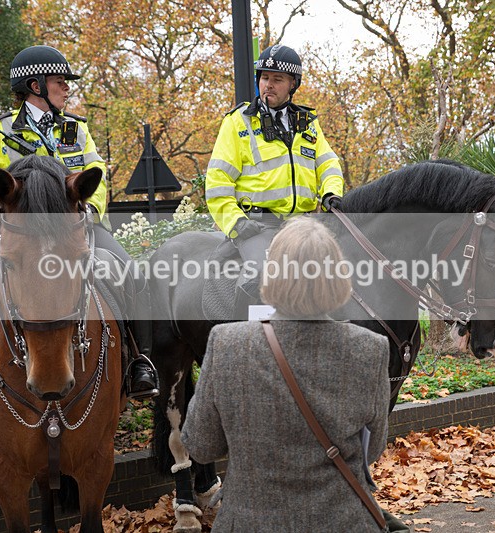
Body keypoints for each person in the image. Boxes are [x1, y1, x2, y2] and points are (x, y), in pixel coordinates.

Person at [0, 45, 158, 406]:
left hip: (74, 228)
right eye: (60, 82)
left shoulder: (76, 128)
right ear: (35, 85)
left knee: (132, 273)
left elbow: (96, 176)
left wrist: (89, 215)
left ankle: (139, 362)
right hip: (18, 232)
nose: (67, 88)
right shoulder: (0, 132)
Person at [181, 217, 407, 532]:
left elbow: (201, 446)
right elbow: (374, 448)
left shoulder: (226, 343)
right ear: (338, 277)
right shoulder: (371, 350)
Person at [204, 44, 345, 318]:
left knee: (342, 269)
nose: (268, 85)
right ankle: (247, 341)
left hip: (305, 225)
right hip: (258, 227)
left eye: (277, 79)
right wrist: (236, 222)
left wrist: (330, 194)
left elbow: (328, 163)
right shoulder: (238, 123)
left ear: (293, 84)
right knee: (259, 277)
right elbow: (217, 180)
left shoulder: (308, 124)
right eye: (264, 77)